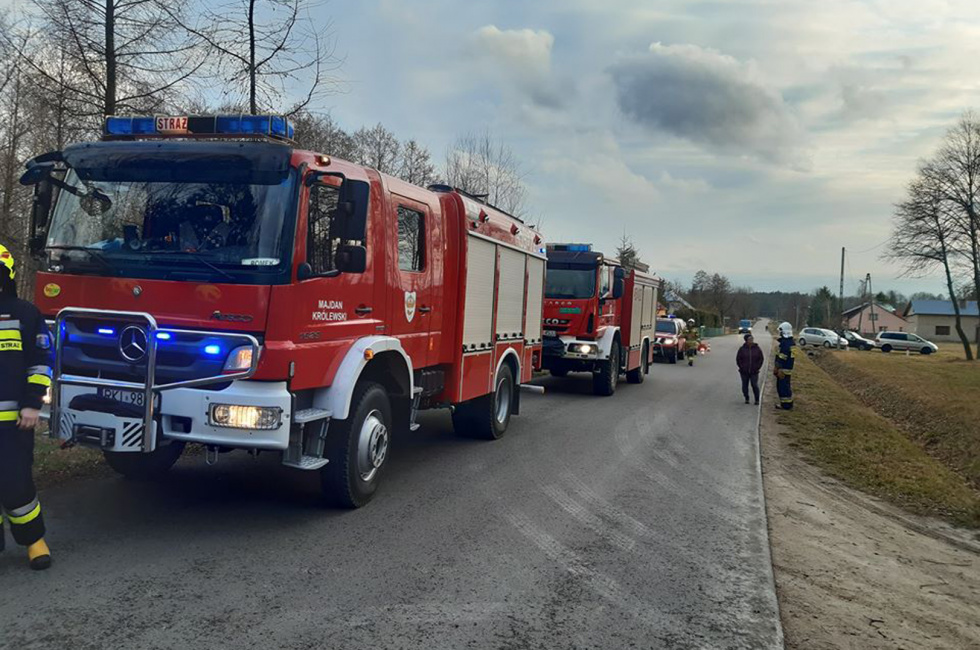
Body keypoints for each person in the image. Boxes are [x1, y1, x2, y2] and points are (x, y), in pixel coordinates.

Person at [0, 244, 54, 570]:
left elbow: (40, 362)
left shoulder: (25, 313)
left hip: (14, 423)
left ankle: (35, 541)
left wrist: (32, 405)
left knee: (16, 484)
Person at [773, 321, 796, 410]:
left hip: (782, 369)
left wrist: (777, 367)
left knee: (782, 388)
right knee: (786, 386)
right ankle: (788, 404)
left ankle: (785, 405)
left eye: (781, 331)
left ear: (784, 331)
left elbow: (782, 356)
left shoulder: (785, 343)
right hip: (788, 369)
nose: (780, 333)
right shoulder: (791, 343)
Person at [736, 333, 764, 404]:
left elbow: (761, 359)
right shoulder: (742, 349)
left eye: (752, 339)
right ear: (746, 340)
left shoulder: (757, 348)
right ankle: (746, 397)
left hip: (754, 371)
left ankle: (757, 399)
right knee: (744, 385)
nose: (751, 340)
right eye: (749, 339)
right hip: (744, 371)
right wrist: (742, 367)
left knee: (754, 385)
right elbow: (738, 359)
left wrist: (757, 367)